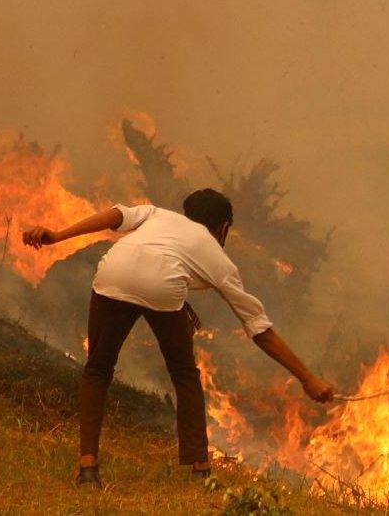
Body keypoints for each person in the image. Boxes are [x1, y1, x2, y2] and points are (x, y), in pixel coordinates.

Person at [22, 188, 334, 488]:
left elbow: (116, 215)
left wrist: (57, 236)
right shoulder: (216, 254)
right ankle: (200, 469)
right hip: (163, 287)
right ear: (223, 228)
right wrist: (307, 378)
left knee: (97, 370)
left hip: (113, 273)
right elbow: (258, 327)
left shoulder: (156, 214)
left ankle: (88, 467)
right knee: (184, 373)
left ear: (186, 213)